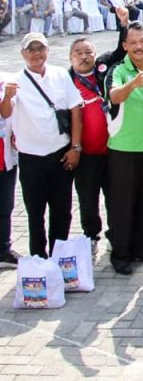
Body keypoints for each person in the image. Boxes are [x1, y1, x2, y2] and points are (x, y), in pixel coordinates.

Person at [0, 33, 83, 258]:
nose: (37, 54)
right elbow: (6, 113)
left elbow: (75, 109)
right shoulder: (16, 80)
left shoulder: (60, 75)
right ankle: (38, 258)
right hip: (31, 157)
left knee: (62, 211)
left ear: (47, 50)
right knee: (35, 212)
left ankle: (59, 257)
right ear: (23, 54)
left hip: (60, 154)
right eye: (31, 49)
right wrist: (6, 97)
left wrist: (75, 147)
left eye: (41, 48)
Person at [105, 21, 143, 274]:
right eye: (133, 43)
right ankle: (120, 254)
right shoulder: (118, 70)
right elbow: (114, 96)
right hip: (123, 148)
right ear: (125, 46)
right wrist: (132, 84)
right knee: (122, 203)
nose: (139, 47)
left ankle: (140, 248)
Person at [68, 7, 130, 255]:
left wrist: (123, 24)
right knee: (87, 199)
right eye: (78, 53)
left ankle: (116, 234)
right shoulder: (64, 81)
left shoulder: (104, 70)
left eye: (88, 52)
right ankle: (90, 234)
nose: (84, 57)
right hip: (85, 155)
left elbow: (119, 51)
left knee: (115, 197)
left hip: (112, 150)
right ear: (70, 56)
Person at [0, 75, 18, 264]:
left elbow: (7, 114)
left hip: (4, 156)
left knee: (5, 205)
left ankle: (3, 248)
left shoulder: (5, 80)